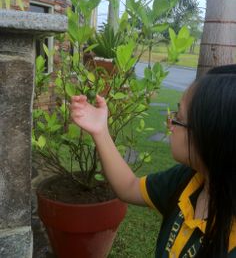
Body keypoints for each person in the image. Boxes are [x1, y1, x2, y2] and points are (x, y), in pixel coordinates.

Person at [70, 64, 236, 258]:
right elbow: (129, 187)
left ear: (210, 136)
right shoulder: (188, 181)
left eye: (178, 117)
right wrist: (100, 131)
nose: (170, 123)